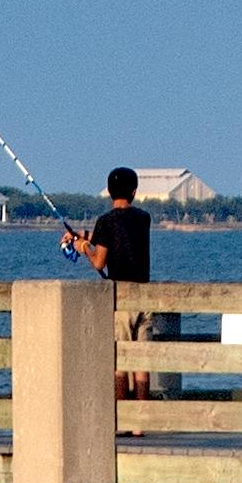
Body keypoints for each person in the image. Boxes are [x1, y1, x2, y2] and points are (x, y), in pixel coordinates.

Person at [65, 167, 164, 395]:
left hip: (121, 298)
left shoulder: (105, 221)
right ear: (134, 192)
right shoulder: (143, 218)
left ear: (109, 191)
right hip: (144, 296)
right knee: (141, 363)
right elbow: (120, 236)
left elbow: (99, 262)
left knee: (119, 363)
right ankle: (139, 425)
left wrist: (84, 248)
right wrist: (85, 236)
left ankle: (121, 418)